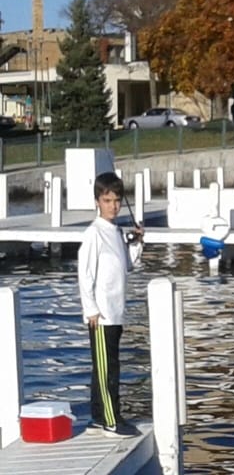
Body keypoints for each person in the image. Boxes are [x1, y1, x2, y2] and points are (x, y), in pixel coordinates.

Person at [78, 172, 144, 439]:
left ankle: (97, 415)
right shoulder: (94, 233)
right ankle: (110, 420)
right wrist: (90, 309)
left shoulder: (115, 231)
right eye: (107, 200)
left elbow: (127, 265)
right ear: (97, 201)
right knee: (108, 370)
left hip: (116, 312)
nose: (113, 206)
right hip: (101, 315)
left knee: (105, 366)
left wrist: (137, 242)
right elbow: (85, 274)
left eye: (117, 200)